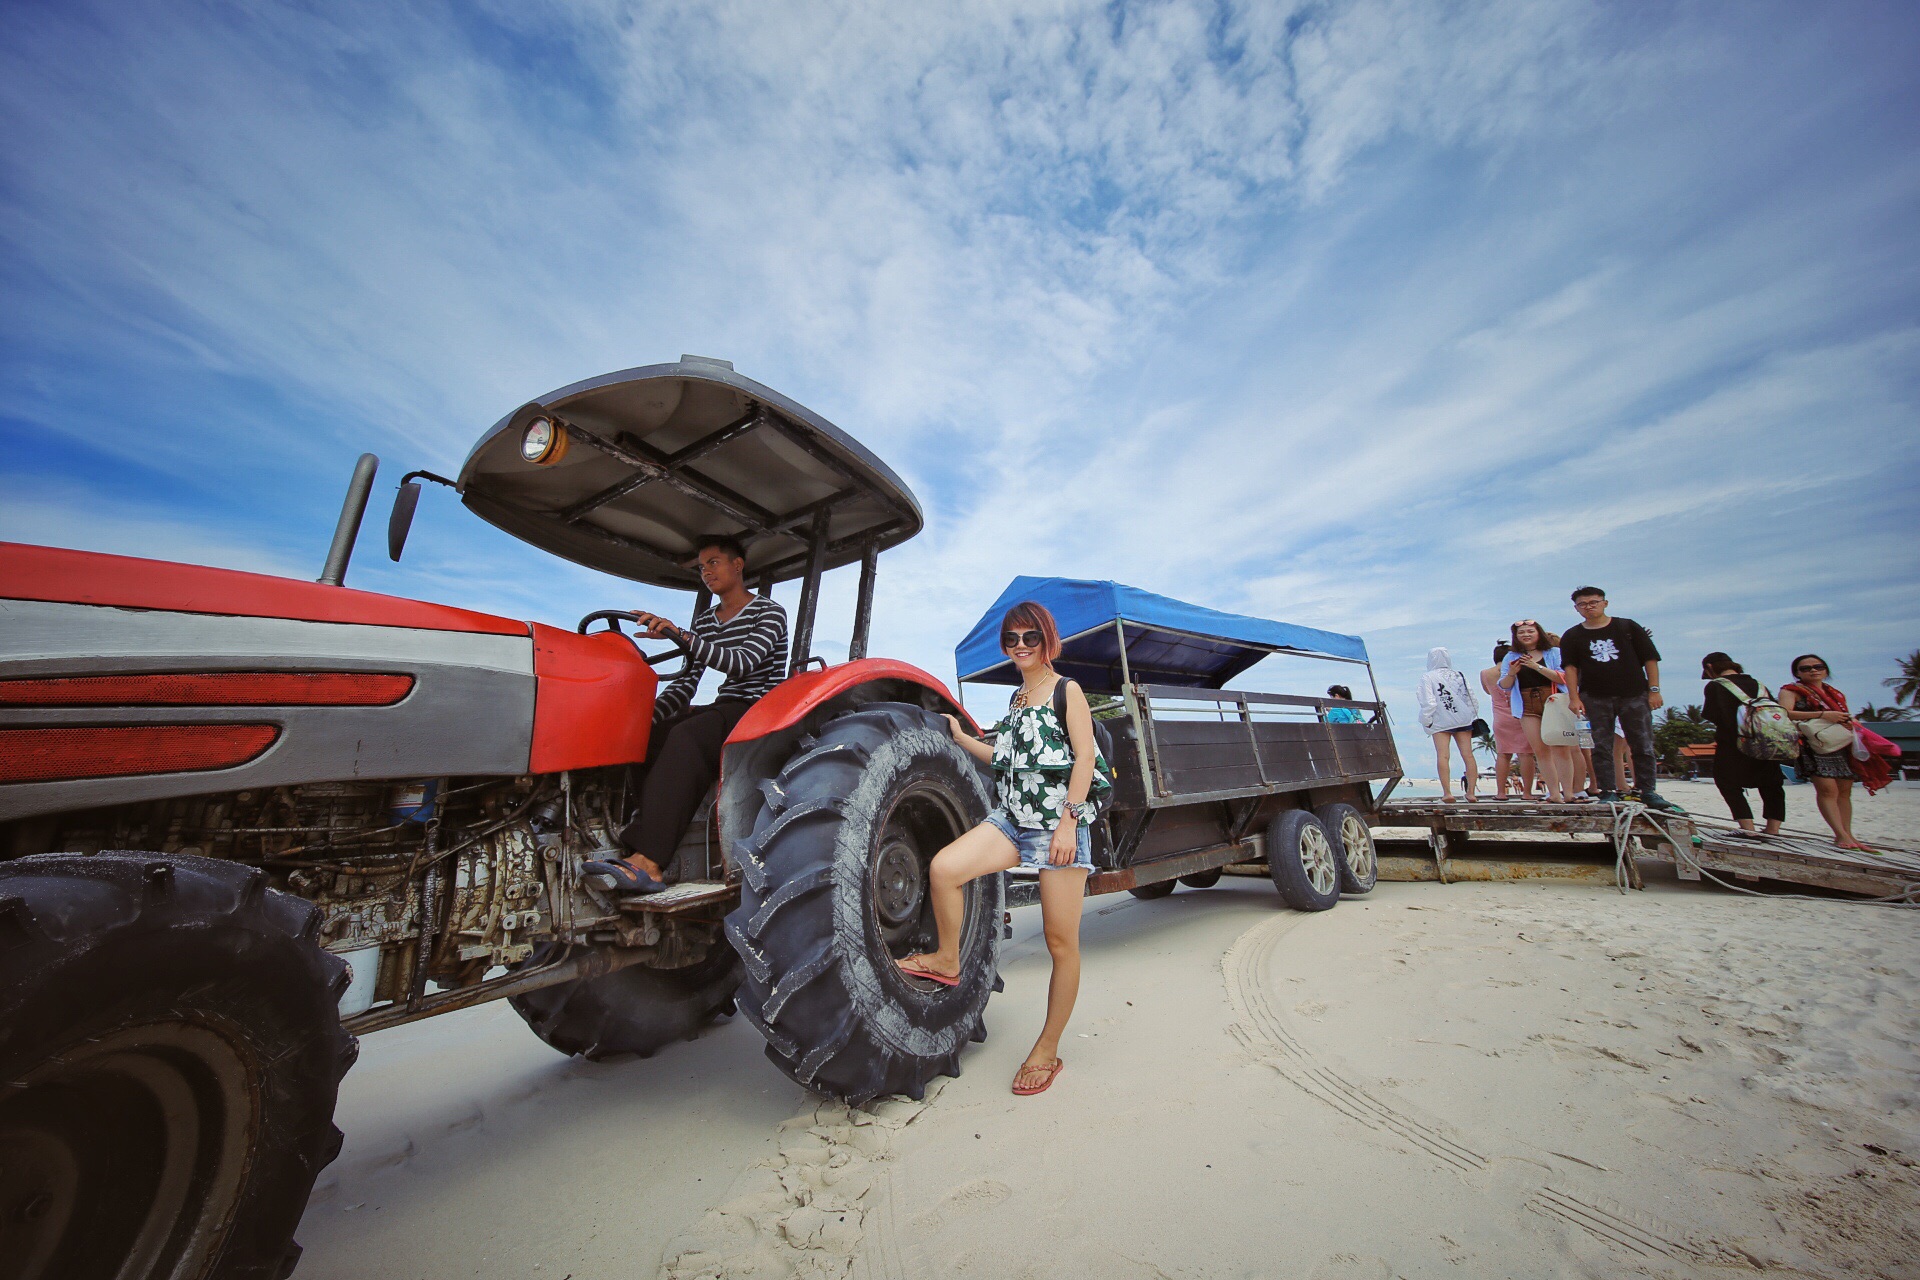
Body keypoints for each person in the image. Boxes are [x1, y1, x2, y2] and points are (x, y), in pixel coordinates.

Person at [896, 601, 1111, 1096]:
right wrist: (962, 738)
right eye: (1011, 639)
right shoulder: (1018, 698)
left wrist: (1067, 822)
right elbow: (1004, 758)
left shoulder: (1065, 691)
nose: (1019, 647)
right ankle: (948, 958)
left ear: (1047, 639)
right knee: (945, 868)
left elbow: (1084, 759)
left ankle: (1048, 1047)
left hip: (1058, 825)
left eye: (1029, 638)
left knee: (1061, 943)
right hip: (1011, 822)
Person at [584, 537, 789, 893]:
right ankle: (623, 839)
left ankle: (650, 862)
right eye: (701, 567)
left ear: (738, 565)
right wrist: (644, 719)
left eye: (713, 563)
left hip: (759, 711)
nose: (706, 572)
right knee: (651, 736)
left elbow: (741, 664)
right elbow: (686, 684)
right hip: (725, 706)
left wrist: (680, 634)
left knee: (688, 737)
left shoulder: (769, 613)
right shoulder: (708, 621)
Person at [1560, 587, 1680, 812]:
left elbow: (1650, 659)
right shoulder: (1573, 635)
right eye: (1583, 604)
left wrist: (1654, 690)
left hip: (1633, 694)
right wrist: (1574, 697)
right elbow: (1570, 668)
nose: (1589, 606)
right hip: (1594, 696)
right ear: (1576, 608)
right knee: (1601, 746)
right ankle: (1608, 791)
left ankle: (1648, 790)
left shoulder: (1627, 627)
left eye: (1593, 602)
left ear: (1605, 603)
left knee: (1642, 744)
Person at [1779, 654, 1867, 850]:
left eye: (1817, 666)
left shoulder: (1834, 693)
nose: (1813, 670)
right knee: (1828, 790)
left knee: (1844, 791)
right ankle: (1840, 834)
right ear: (1797, 673)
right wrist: (1822, 715)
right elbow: (1784, 713)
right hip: (1815, 743)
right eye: (1806, 668)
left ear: (1826, 670)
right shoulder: (1791, 691)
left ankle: (1848, 834)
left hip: (1840, 742)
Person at [1699, 652, 1784, 836]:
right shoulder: (1759, 685)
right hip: (1766, 740)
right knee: (1772, 784)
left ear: (1710, 668)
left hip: (1733, 742)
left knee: (1727, 782)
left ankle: (1748, 829)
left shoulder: (1716, 686)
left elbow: (1711, 714)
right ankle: (1773, 829)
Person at [1498, 621, 1582, 803]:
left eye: (1530, 631)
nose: (1526, 634)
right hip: (1527, 703)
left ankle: (1568, 792)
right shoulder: (1511, 656)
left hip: (1553, 701)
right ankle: (1553, 793)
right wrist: (1512, 672)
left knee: (1561, 748)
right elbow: (1504, 685)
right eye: (1521, 632)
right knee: (1540, 750)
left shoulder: (1554, 653)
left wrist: (1536, 666)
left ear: (1539, 633)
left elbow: (1564, 677)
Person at [1416, 648, 1480, 802]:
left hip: (1441, 720)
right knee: (1468, 755)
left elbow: (1428, 702)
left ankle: (1447, 793)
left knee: (1443, 755)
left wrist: (1426, 721)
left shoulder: (1428, 677)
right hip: (1464, 718)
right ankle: (1471, 793)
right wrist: (1472, 715)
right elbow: (1471, 697)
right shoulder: (1459, 675)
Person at [1480, 643, 1534, 800]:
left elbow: (1487, 691)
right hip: (1521, 713)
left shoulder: (1485, 673)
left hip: (1500, 717)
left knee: (1503, 754)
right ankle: (1527, 792)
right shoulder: (1518, 671)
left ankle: (1501, 792)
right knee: (1526, 754)